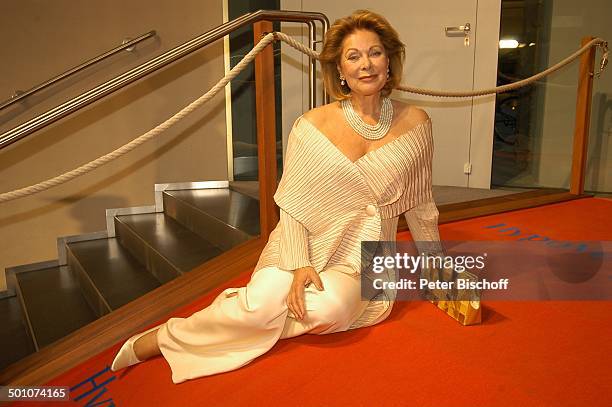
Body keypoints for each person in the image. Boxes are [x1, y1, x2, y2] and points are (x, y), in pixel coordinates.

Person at [111, 9, 442, 384]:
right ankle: (163, 338)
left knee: (327, 310)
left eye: (375, 53)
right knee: (262, 307)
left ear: (389, 61)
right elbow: (293, 203)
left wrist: (435, 266)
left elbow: (419, 204)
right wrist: (300, 262)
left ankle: (242, 319)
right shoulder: (311, 125)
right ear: (339, 70)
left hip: (365, 255)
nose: (366, 64)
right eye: (353, 56)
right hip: (301, 238)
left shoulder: (416, 124)